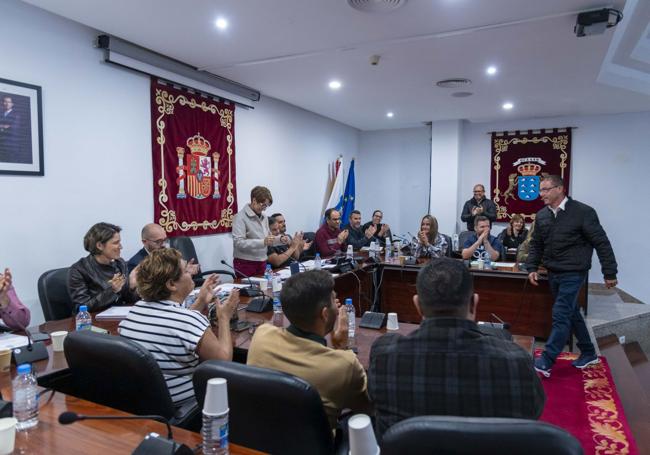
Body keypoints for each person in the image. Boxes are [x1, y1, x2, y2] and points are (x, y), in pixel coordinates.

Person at [368, 258, 545, 437]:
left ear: (417, 305)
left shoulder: (385, 356)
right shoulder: (516, 362)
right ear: (474, 304)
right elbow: (533, 413)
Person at [247, 270, 372, 430]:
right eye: (334, 300)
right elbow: (366, 407)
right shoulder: (344, 364)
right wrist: (342, 346)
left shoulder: (261, 335)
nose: (337, 304)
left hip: (260, 440)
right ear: (325, 314)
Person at [118, 248, 238, 406]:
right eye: (186, 272)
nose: (191, 274)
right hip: (188, 407)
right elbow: (223, 362)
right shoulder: (189, 321)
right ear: (171, 284)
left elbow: (175, 326)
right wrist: (224, 318)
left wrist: (201, 300)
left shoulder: (135, 311)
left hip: (146, 403)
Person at [526, 175, 618, 377]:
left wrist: (609, 272)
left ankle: (546, 361)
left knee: (560, 313)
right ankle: (588, 352)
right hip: (553, 273)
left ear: (560, 189)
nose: (541, 194)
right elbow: (536, 244)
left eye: (545, 189)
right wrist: (532, 266)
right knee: (571, 312)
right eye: (540, 190)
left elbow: (601, 242)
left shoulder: (583, 212)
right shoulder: (542, 215)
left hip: (574, 272)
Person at [68, 222, 139, 312]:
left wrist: (131, 287)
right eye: (116, 243)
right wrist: (112, 291)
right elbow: (81, 308)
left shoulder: (120, 263)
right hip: (93, 322)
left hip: (118, 318)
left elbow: (128, 300)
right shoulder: (79, 270)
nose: (121, 247)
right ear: (100, 246)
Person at [232, 186, 275, 277]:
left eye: (266, 206)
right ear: (254, 200)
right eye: (263, 205)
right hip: (245, 263)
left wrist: (281, 239)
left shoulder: (264, 217)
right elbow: (238, 243)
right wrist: (263, 242)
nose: (264, 208)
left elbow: (269, 238)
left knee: (264, 290)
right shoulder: (240, 217)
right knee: (249, 290)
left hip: (262, 261)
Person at [126, 223, 199, 274]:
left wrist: (185, 272)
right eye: (158, 241)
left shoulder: (169, 255)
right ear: (145, 242)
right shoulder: (136, 263)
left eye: (165, 240)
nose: (163, 245)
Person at [0, 96, 28, 164]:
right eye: (5, 101)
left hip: (11, 146)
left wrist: (2, 127)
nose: (6, 103)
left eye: (9, 102)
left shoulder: (16, 115)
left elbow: (13, 129)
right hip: (2, 146)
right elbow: (7, 127)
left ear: (12, 104)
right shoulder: (1, 114)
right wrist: (4, 127)